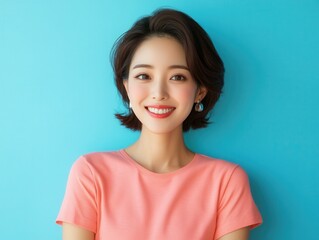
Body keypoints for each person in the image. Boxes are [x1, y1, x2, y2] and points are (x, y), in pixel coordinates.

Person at [56, 8, 262, 240]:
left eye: (178, 77)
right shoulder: (91, 173)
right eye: (144, 76)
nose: (158, 93)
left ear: (200, 92)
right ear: (127, 87)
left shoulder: (226, 181)